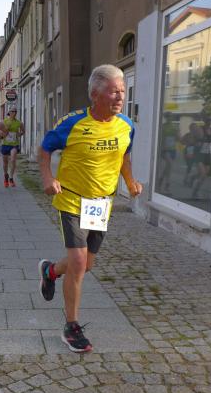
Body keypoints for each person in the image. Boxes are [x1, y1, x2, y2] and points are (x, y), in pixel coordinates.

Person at [38, 64, 142, 353]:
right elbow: (45, 148)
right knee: (79, 262)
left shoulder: (126, 125)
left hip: (100, 204)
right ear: (95, 94)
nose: (120, 97)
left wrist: (130, 182)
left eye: (122, 91)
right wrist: (47, 178)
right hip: (72, 199)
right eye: (113, 91)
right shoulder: (72, 123)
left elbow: (124, 156)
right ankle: (71, 327)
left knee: (86, 264)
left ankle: (50, 271)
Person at [0, 104, 24, 188]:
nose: (14, 113)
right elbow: (0, 133)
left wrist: (19, 134)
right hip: (5, 144)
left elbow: (23, 131)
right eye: (12, 111)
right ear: (9, 112)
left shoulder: (19, 122)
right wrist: (5, 130)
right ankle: (6, 176)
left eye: (15, 111)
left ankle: (11, 178)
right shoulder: (4, 121)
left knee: (13, 159)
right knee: (5, 162)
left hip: (14, 144)